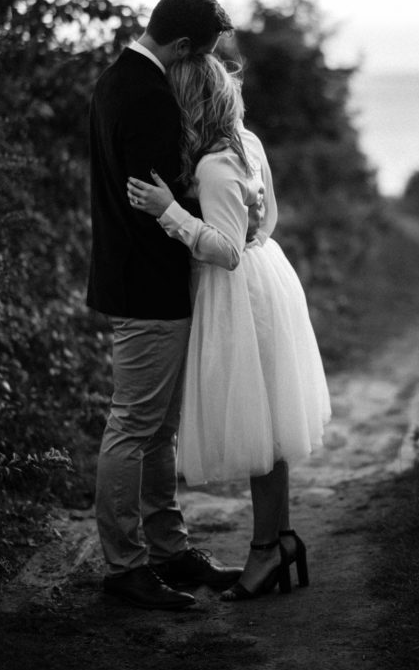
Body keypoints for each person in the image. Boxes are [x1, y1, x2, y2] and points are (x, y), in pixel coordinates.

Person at [127, 53, 331, 600]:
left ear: (190, 104)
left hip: (237, 291)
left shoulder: (213, 167)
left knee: (258, 422)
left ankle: (267, 550)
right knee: (270, 423)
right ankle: (280, 540)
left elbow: (226, 251)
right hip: (268, 279)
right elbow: (268, 221)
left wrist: (170, 210)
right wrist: (249, 237)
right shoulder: (248, 143)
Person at [88, 0, 257, 611]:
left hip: (134, 278)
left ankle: (169, 550)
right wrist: (222, 206)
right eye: (202, 52)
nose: (204, 65)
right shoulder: (151, 97)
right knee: (135, 426)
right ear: (182, 45)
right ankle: (126, 568)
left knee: (158, 429)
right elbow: (153, 201)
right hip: (148, 287)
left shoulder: (113, 81)